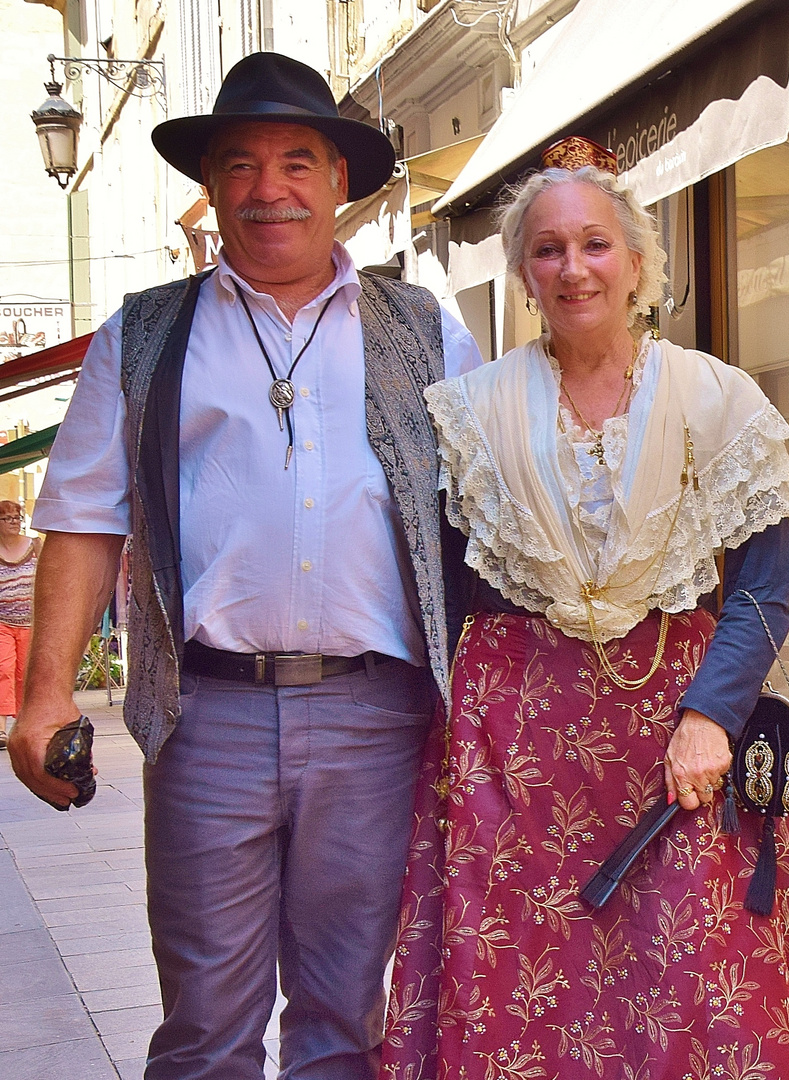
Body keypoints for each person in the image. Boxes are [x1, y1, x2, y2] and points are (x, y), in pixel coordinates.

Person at [8, 52, 482, 1079]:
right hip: (206, 718)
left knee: (344, 1022)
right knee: (205, 1026)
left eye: (297, 163)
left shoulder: (428, 334)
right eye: (241, 165)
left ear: (340, 185)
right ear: (211, 187)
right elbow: (84, 520)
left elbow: (494, 519)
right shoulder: (143, 334)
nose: (269, 190)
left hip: (376, 719)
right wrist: (44, 699)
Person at [380, 138, 789, 1080]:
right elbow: (440, 589)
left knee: (694, 980)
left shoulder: (715, 398)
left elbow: (763, 585)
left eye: (596, 245)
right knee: (526, 986)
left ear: (638, 264)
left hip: (676, 736)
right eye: (550, 250)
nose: (574, 269)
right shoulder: (468, 413)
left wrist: (712, 717)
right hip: (512, 749)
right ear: (524, 274)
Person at [0, 500, 40, 745]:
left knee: (24, 675)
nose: (15, 522)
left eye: (17, 517)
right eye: (8, 518)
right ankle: (1, 729)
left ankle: (24, 727)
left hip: (30, 622)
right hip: (2, 621)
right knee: (2, 669)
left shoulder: (35, 546)